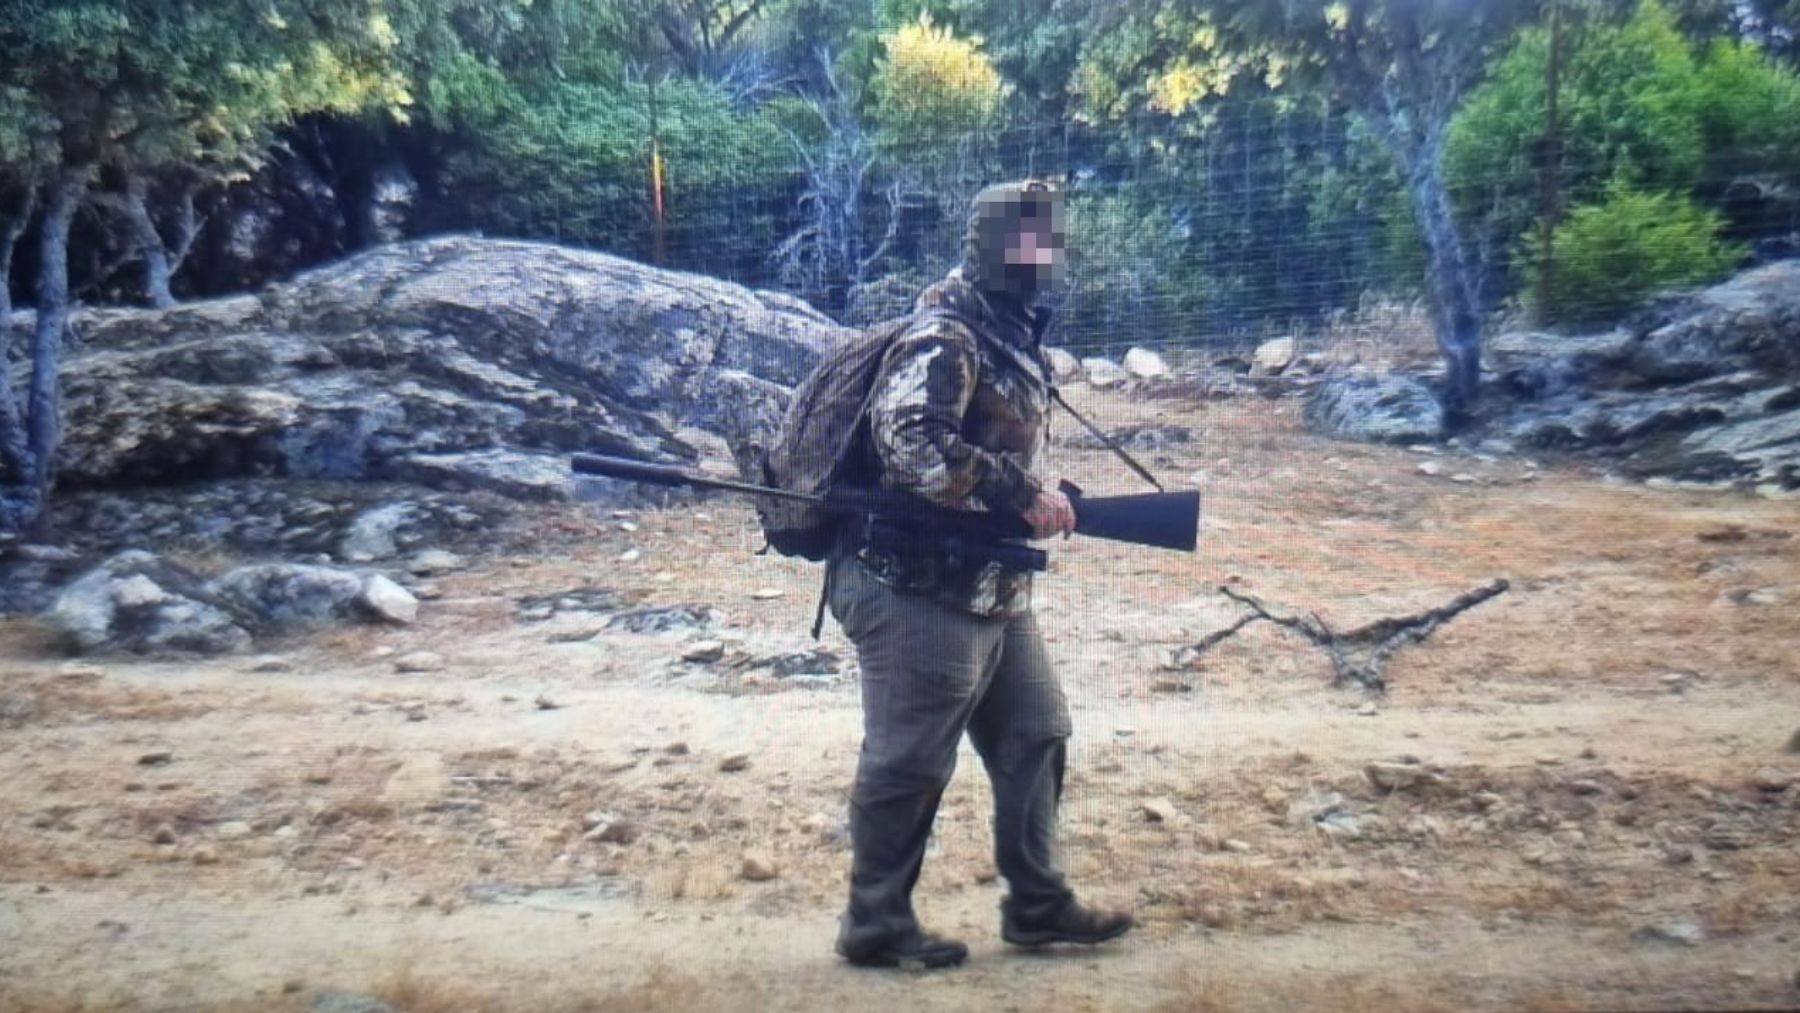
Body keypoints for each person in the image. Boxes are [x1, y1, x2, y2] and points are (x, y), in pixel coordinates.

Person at [825, 179, 1134, 970]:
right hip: (912, 581)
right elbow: (909, 441)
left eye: (1051, 238)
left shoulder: (1007, 331)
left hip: (989, 580)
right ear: (999, 245)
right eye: (1033, 239)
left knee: (1037, 727)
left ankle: (1037, 904)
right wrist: (1013, 489)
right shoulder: (949, 334)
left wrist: (1041, 492)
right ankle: (876, 921)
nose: (1047, 253)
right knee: (910, 760)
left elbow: (985, 444)